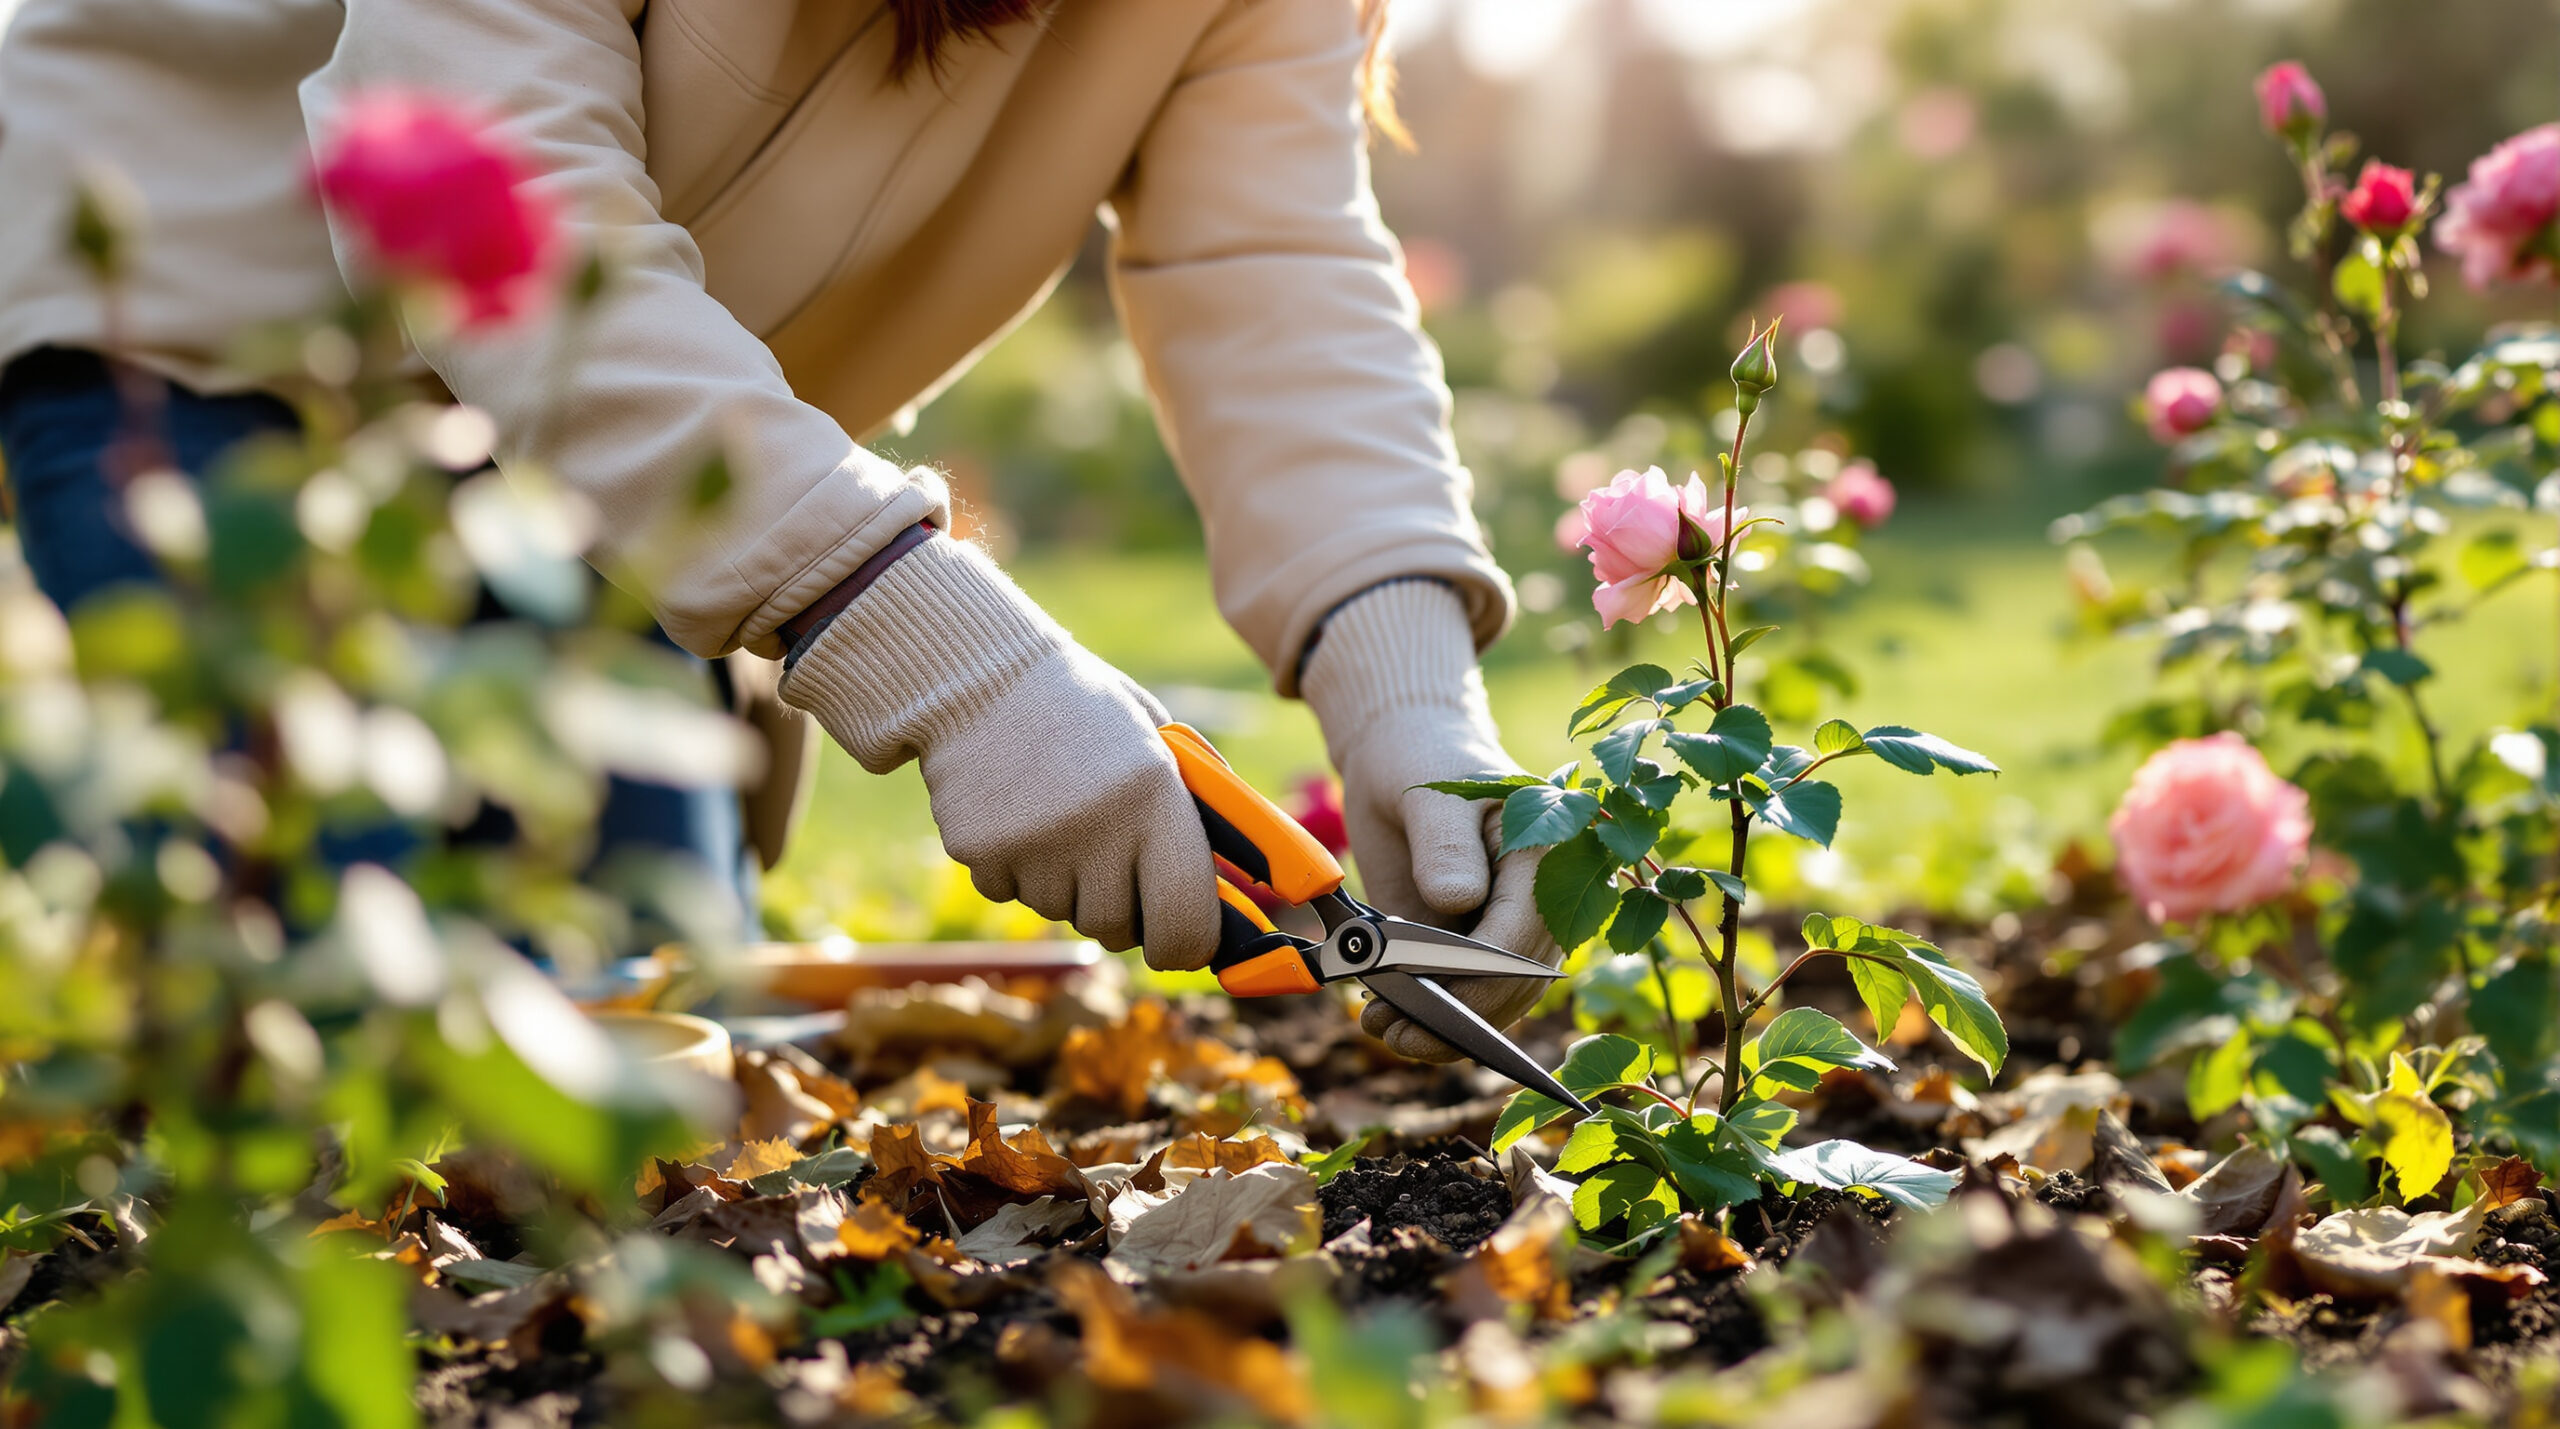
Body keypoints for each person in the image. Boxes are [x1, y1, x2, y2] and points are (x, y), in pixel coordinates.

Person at [0, 0, 1558, 1061]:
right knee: (341, 1059)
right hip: (206, 352)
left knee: (662, 1059)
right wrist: (931, 647)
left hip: (621, 466)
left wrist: (1407, 683)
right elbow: (489, 187)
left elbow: (1274, 269)